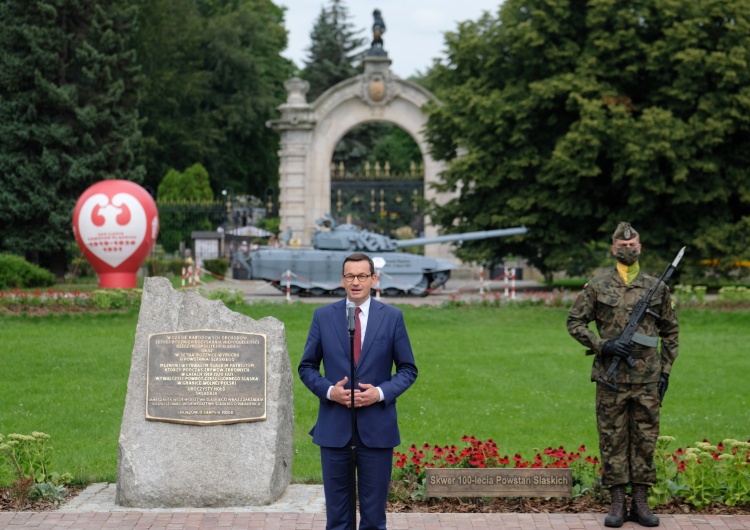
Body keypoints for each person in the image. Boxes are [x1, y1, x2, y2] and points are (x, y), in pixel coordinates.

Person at [567, 222, 679, 528]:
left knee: (645, 439)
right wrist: (603, 345)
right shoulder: (598, 286)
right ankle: (617, 502)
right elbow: (575, 322)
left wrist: (665, 371)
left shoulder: (657, 287)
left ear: (639, 248)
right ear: (614, 249)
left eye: (633, 245)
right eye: (622, 245)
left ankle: (640, 503)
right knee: (612, 439)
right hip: (611, 378)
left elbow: (671, 331)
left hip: (647, 378)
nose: (627, 249)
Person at [298, 253, 418, 530]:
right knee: (338, 519)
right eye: (350, 276)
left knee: (374, 519)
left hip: (377, 430)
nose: (355, 282)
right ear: (342, 280)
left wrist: (380, 393)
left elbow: (408, 369)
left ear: (373, 279)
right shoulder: (323, 316)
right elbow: (307, 367)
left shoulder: (392, 317)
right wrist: (330, 392)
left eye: (362, 276)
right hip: (334, 430)